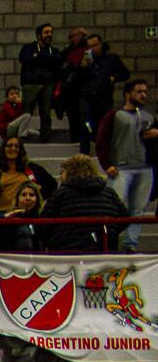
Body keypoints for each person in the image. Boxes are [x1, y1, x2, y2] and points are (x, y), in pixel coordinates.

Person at [98, 79, 154, 250]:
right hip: (121, 168)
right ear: (128, 94)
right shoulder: (114, 116)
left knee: (138, 210)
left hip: (145, 168)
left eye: (145, 91)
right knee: (114, 208)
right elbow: (102, 140)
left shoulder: (149, 117)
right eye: (139, 91)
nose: (143, 95)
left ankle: (130, 244)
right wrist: (107, 165)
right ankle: (109, 243)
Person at [37, 154, 128, 252]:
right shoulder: (109, 192)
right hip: (104, 250)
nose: (60, 176)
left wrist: (55, 243)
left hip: (69, 252)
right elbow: (125, 217)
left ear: (69, 172)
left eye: (62, 172)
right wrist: (109, 234)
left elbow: (43, 224)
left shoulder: (61, 194)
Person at [0, 136, 56, 214]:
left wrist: (41, 194)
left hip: (28, 215)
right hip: (2, 216)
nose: (13, 148)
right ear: (3, 149)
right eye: (9, 146)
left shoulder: (34, 169)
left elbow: (53, 186)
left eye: (16, 146)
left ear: (21, 150)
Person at [19, 23, 58, 141]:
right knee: (26, 113)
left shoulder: (54, 51)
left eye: (50, 32)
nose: (49, 35)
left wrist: (38, 57)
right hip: (31, 84)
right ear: (39, 35)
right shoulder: (28, 48)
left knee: (46, 113)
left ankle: (45, 138)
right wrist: (46, 60)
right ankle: (22, 137)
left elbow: (56, 62)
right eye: (46, 32)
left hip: (47, 84)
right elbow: (24, 59)